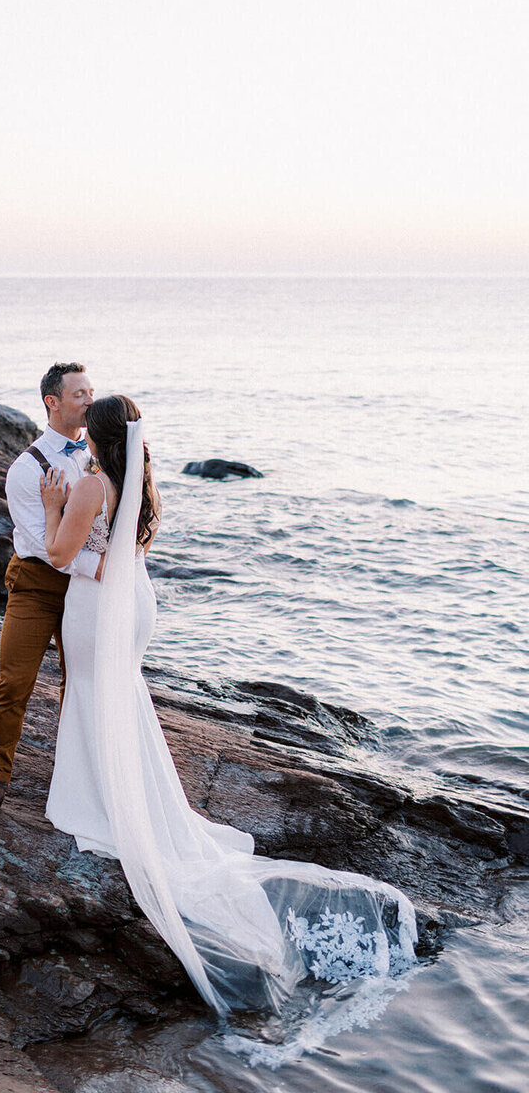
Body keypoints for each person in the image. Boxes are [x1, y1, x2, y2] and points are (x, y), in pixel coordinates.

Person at [39, 394, 418, 1015]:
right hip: (134, 602)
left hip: (96, 606)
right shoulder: (141, 481)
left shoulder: (90, 485)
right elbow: (122, 553)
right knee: (121, 696)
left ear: (99, 436)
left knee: (91, 692)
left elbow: (58, 555)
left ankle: (100, 801)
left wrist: (54, 506)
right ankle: (121, 792)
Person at [0, 362, 100, 815]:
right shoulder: (26, 469)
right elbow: (47, 549)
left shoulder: (97, 457)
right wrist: (99, 568)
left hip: (84, 589)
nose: (89, 401)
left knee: (79, 684)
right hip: (36, 586)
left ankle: (72, 780)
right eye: (80, 394)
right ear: (53, 401)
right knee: (14, 683)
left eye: (91, 392)